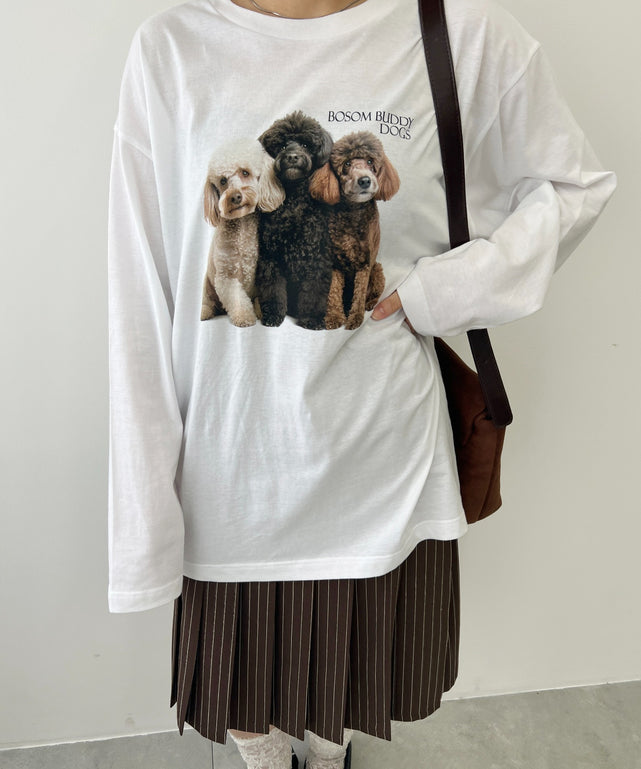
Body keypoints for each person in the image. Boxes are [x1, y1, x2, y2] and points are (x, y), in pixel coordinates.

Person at [107, 0, 616, 767]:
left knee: (353, 675)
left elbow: (574, 186)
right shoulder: (173, 49)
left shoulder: (458, 33)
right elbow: (140, 293)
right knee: (242, 689)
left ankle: (327, 752)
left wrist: (438, 291)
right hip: (231, 473)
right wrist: (144, 506)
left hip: (381, 460)